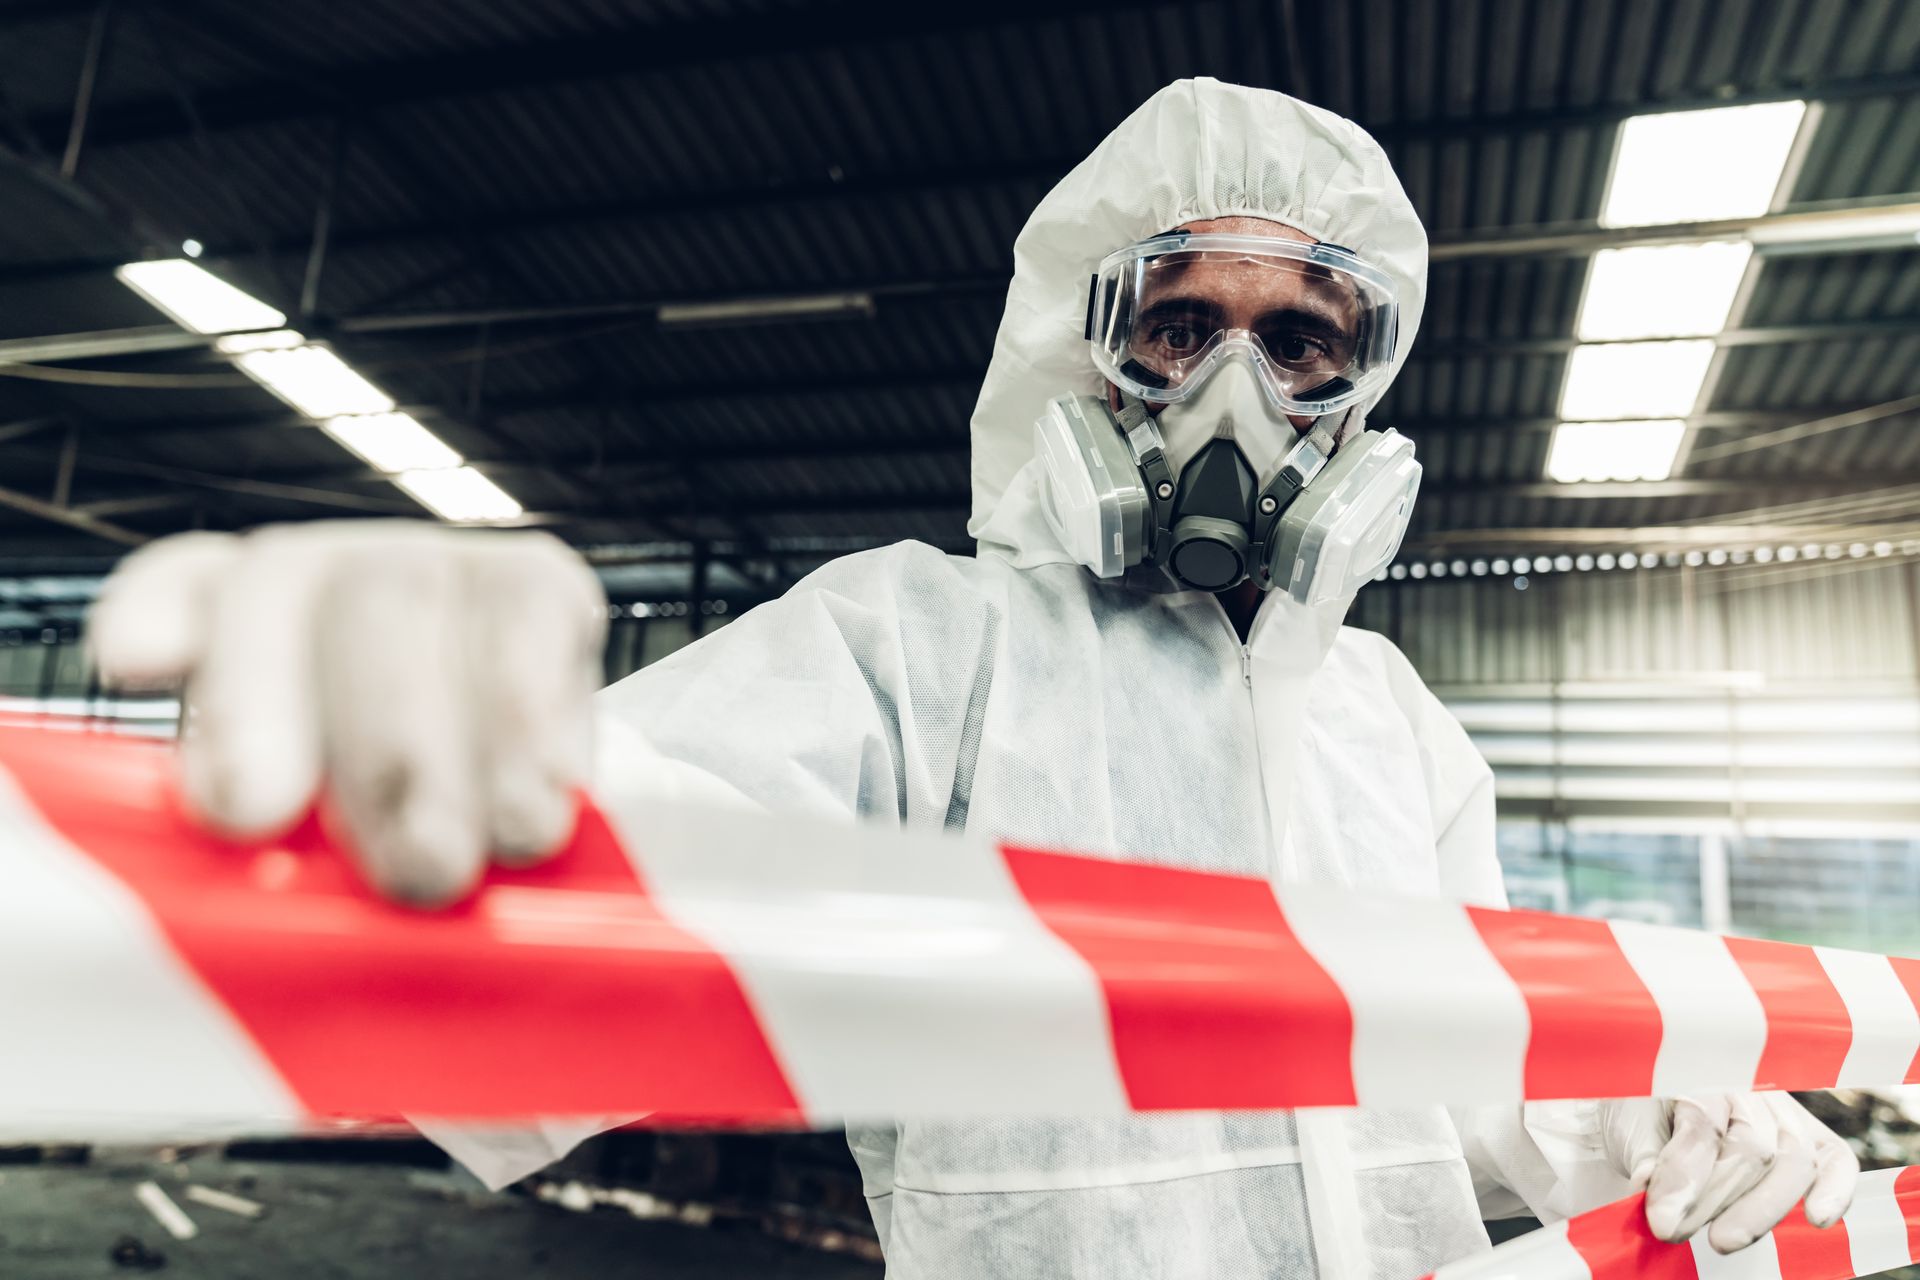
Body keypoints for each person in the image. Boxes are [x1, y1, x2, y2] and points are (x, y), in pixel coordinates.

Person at [89, 78, 1855, 1278]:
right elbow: (594, 905)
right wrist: (418, 806)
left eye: (1302, 340)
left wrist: (1674, 1107)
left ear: (1359, 395)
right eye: (1180, 327)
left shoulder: (1390, 719)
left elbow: (1483, 1064)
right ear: (1076, 360)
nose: (1234, 396)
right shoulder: (917, 649)